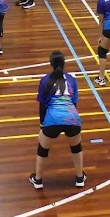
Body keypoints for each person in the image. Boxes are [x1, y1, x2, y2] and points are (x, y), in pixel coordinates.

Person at [29, 50, 86, 190]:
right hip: (72, 118)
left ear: (51, 64)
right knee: (76, 147)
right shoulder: (72, 80)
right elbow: (74, 103)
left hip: (52, 119)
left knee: (43, 150)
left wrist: (42, 125)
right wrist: (74, 120)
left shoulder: (45, 80)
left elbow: (42, 105)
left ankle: (38, 180)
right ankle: (80, 178)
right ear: (64, 63)